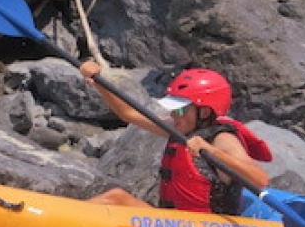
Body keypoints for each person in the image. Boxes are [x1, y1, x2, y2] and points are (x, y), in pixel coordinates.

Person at [79, 61, 273, 214]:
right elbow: (130, 114)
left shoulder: (222, 139)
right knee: (116, 199)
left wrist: (211, 151)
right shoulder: (182, 128)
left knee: (116, 199)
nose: (173, 115)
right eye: (172, 108)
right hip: (175, 224)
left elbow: (261, 180)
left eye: (179, 109)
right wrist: (99, 81)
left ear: (204, 112)